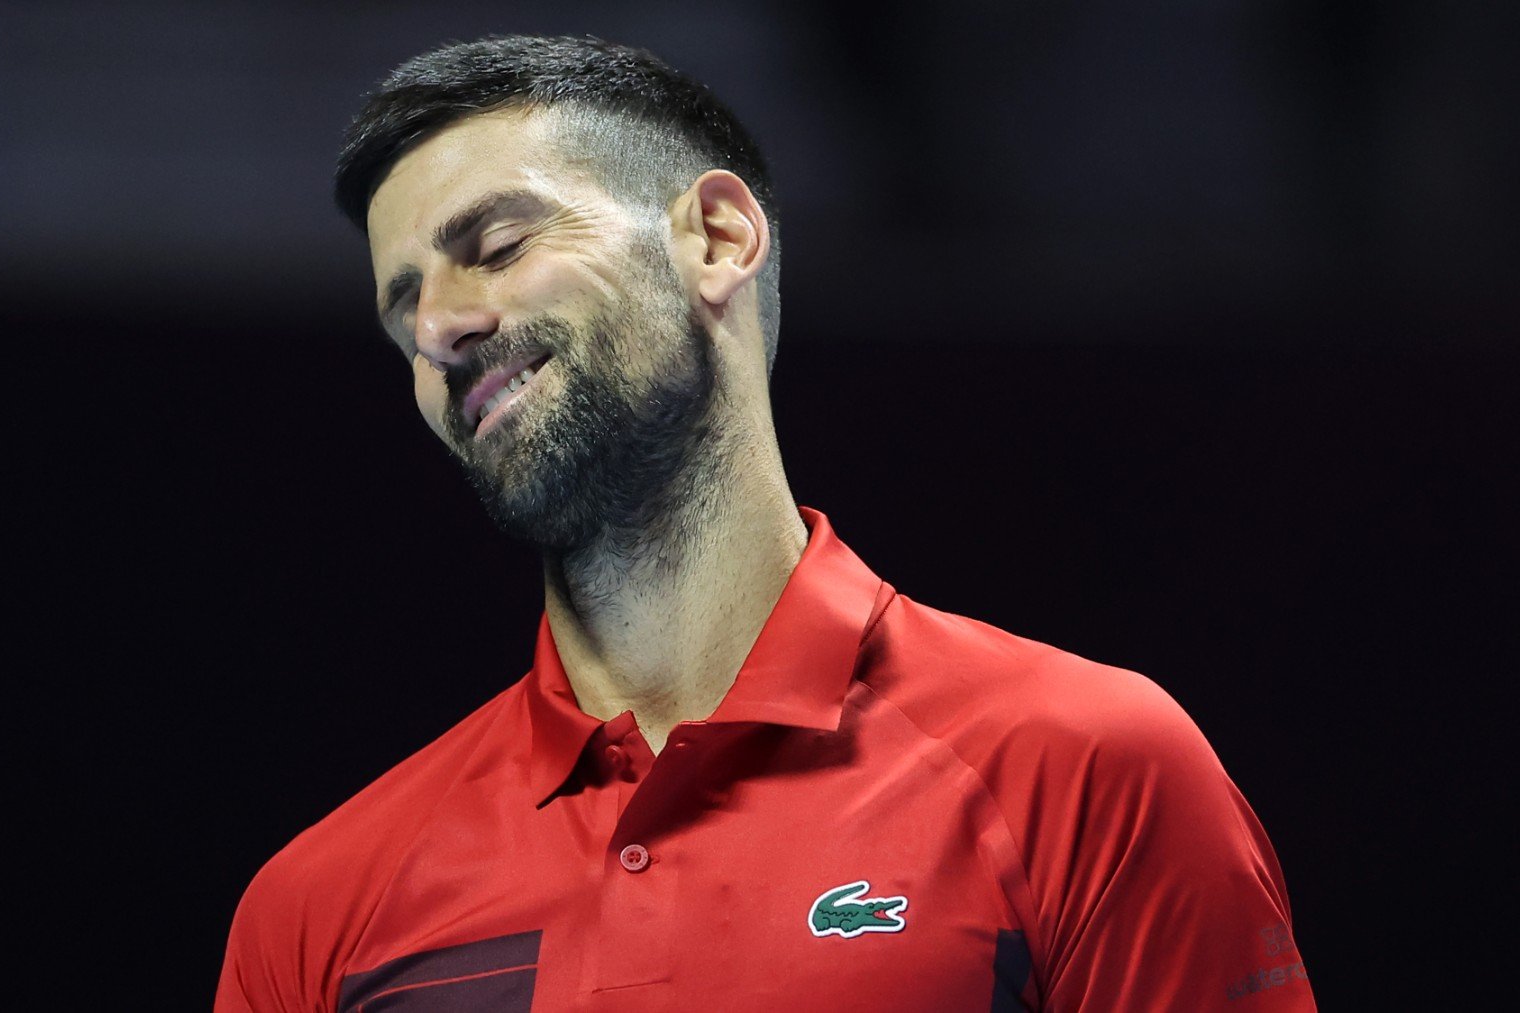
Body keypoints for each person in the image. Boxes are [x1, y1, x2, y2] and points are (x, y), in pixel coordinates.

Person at [216, 34, 1315, 1012]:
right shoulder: (318, 906)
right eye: (402, 308)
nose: (442, 329)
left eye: (497, 247)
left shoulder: (1088, 768)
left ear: (716, 235)